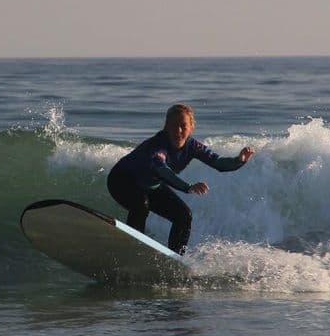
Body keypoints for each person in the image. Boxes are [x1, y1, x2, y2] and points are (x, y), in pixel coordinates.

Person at [107, 103, 255, 255]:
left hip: (150, 185)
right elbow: (163, 171)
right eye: (173, 125)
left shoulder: (192, 146)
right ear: (166, 126)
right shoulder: (156, 146)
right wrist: (187, 187)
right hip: (121, 180)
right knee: (141, 205)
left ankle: (175, 259)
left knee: (184, 216)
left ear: (191, 127)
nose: (178, 131)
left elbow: (218, 163)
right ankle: (132, 250)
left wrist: (239, 160)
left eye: (183, 126)